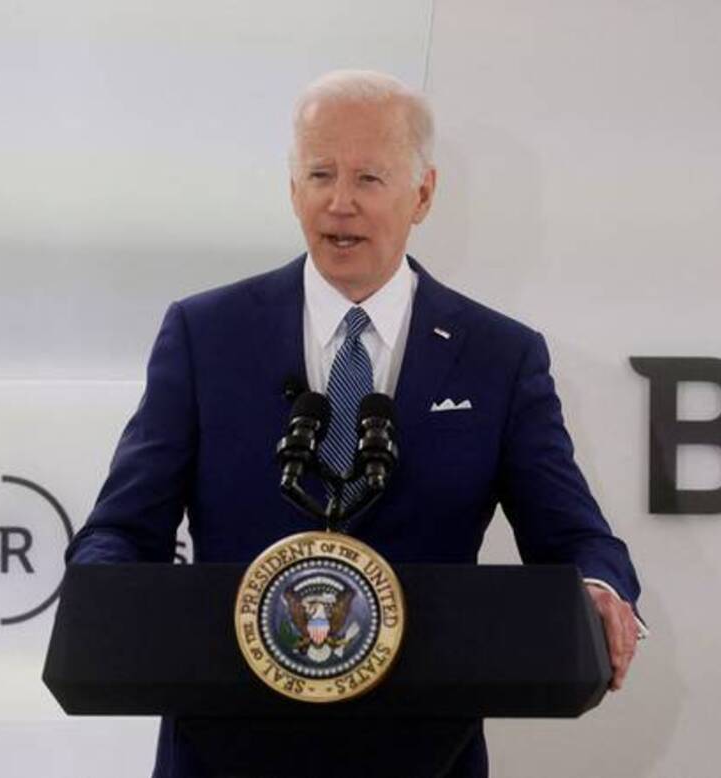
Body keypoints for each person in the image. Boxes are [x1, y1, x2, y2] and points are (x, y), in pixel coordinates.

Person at [67, 69, 644, 778]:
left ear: (423, 193)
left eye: (369, 178)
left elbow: (574, 534)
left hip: (423, 755)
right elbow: (121, 530)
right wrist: (104, 605)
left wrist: (600, 590)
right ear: (292, 189)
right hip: (224, 752)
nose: (339, 203)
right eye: (319, 174)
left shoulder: (499, 356)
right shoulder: (204, 334)